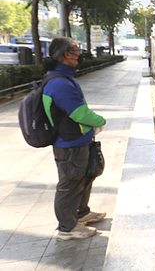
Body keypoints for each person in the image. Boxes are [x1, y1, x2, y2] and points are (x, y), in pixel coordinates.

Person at [42, 37, 107, 240]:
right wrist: (100, 121)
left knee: (84, 177)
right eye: (76, 49)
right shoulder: (60, 83)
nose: (79, 53)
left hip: (78, 141)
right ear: (67, 54)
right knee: (70, 183)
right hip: (69, 144)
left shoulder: (63, 78)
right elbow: (79, 113)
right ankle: (67, 228)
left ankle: (81, 213)